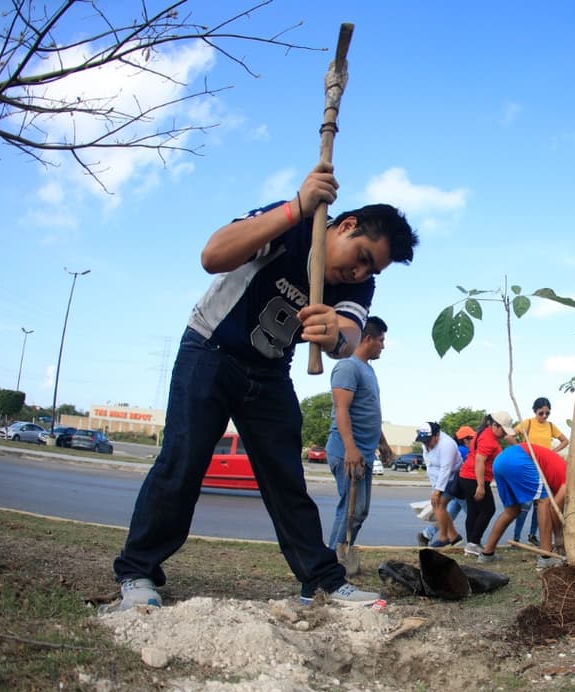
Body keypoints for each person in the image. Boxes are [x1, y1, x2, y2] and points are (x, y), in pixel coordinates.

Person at [110, 161, 418, 609]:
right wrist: (294, 208)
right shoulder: (293, 225)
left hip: (269, 372)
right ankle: (137, 573)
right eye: (363, 257)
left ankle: (321, 581)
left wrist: (334, 332)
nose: (360, 273)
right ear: (345, 225)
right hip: (211, 350)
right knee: (183, 461)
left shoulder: (360, 287)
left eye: (372, 271)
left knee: (286, 479)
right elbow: (212, 256)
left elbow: (348, 335)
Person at [326, 316, 394, 550]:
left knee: (359, 511)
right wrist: (350, 448)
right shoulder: (347, 366)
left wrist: (382, 443)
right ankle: (332, 564)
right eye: (381, 340)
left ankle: (342, 557)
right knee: (350, 510)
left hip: (363, 453)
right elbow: (341, 408)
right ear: (367, 339)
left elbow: (370, 412)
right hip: (347, 452)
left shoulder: (368, 370)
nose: (383, 346)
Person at [478, 442, 568, 563]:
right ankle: (546, 556)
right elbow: (553, 508)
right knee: (543, 501)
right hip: (519, 458)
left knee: (512, 510)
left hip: (500, 460)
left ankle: (487, 554)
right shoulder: (570, 480)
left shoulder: (558, 468)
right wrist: (559, 536)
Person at [450, 411, 516, 556]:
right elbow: (480, 461)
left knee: (474, 511)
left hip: (467, 476)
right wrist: (480, 486)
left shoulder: (483, 432)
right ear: (494, 425)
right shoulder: (489, 440)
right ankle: (473, 544)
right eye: (503, 430)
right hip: (474, 478)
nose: (504, 434)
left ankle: (471, 545)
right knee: (488, 509)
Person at [513, 397, 570, 544]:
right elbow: (510, 435)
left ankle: (532, 535)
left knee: (542, 504)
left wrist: (553, 452)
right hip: (529, 466)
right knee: (526, 504)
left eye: (547, 413)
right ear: (535, 411)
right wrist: (522, 449)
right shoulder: (528, 423)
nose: (544, 416)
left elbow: (565, 440)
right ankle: (516, 538)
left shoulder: (551, 426)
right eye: (541, 413)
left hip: (545, 468)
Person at [415, 421, 463, 547]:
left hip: (454, 478)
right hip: (439, 479)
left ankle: (444, 538)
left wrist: (437, 491)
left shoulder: (447, 444)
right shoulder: (426, 444)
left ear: (437, 435)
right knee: (439, 506)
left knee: (439, 505)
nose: (426, 444)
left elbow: (445, 469)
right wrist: (434, 488)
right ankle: (454, 536)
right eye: (423, 441)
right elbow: (430, 466)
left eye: (428, 440)